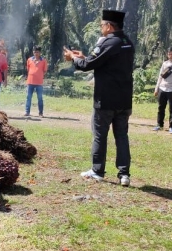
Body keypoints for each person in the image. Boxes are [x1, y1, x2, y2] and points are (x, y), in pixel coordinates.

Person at [63, 9, 135, 186]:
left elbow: (88, 65)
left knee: (99, 135)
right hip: (124, 99)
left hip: (106, 98)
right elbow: (105, 62)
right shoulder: (127, 42)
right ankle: (124, 174)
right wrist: (84, 57)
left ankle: (97, 171)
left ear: (109, 26)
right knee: (122, 136)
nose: (101, 28)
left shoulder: (108, 42)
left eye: (102, 25)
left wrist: (73, 57)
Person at [24, 45, 48, 117]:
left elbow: (45, 70)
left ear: (40, 52)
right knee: (28, 97)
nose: (36, 53)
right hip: (30, 82)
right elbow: (28, 69)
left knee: (40, 98)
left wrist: (39, 75)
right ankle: (27, 112)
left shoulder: (43, 61)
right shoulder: (29, 60)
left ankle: (40, 113)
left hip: (39, 83)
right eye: (34, 52)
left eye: (37, 52)